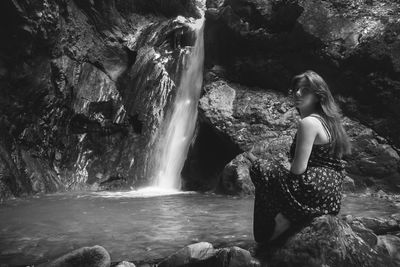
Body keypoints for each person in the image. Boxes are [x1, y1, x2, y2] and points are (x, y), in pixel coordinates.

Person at [244, 70, 352, 245]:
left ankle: (282, 219)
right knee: (267, 169)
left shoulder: (308, 123)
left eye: (305, 90)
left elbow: (298, 170)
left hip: (315, 188)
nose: (298, 93)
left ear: (318, 96)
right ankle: (288, 217)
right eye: (296, 89)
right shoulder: (329, 122)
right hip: (331, 196)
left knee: (259, 168)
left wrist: (264, 166)